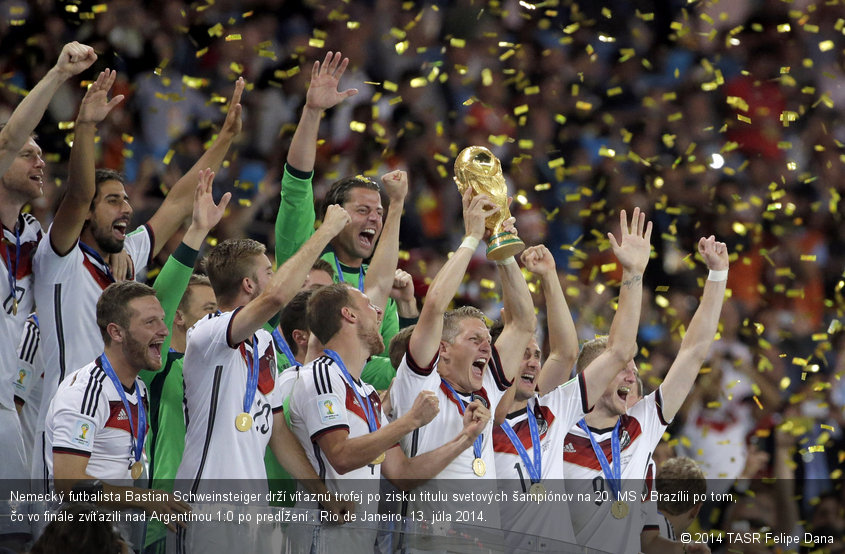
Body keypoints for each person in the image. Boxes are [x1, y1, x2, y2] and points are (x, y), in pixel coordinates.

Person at [31, 73, 244, 487]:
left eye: (127, 200)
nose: (125, 208)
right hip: (71, 417)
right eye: (112, 200)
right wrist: (88, 126)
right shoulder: (62, 259)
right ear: (88, 213)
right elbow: (76, 194)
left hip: (125, 414)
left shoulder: (126, 256)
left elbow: (181, 201)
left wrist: (225, 140)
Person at [287, 282, 490, 552]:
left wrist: (465, 439)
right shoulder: (321, 375)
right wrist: (410, 421)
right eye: (370, 306)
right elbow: (341, 456)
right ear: (349, 315)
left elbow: (402, 473)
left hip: (360, 542)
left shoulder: (368, 394)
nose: (380, 313)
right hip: (322, 540)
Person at [563, 234, 730, 554]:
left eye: (634, 370)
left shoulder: (641, 428)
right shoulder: (555, 429)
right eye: (620, 368)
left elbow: (693, 352)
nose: (632, 374)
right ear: (590, 380)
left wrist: (717, 275)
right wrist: (632, 272)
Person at [492, 214, 650, 551]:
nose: (534, 361)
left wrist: (632, 274)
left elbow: (574, 353)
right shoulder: (476, 421)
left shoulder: (551, 411)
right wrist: (505, 256)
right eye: (524, 353)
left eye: (537, 354)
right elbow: (526, 329)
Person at [388, 189, 536, 533]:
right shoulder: (419, 382)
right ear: (443, 350)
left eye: (487, 341)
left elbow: (524, 324)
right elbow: (435, 305)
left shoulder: (485, 390)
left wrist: (502, 248)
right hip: (432, 542)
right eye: (475, 340)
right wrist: (472, 237)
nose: (488, 349)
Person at [274, 51, 418, 387]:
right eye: (363, 210)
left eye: (378, 213)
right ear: (334, 215)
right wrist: (312, 113)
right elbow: (296, 186)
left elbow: (391, 362)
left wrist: (395, 206)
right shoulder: (306, 257)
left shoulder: (378, 287)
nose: (374, 219)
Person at [0, 42, 97, 487]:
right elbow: (7, 138)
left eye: (41, 155)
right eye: (28, 154)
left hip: (12, 404)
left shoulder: (34, 238)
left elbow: (78, 204)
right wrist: (59, 74)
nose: (40, 162)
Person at [45, 281, 191, 549]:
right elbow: (68, 483)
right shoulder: (86, 393)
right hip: (78, 541)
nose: (164, 330)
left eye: (162, 319)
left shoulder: (139, 389)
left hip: (115, 537)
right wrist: (144, 498)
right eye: (150, 323)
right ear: (116, 332)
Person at [138, 169, 229, 554]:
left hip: (217, 517)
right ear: (178, 317)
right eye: (208, 309)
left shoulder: (223, 366)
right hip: (167, 517)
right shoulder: (158, 367)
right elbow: (164, 295)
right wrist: (195, 234)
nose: (217, 317)